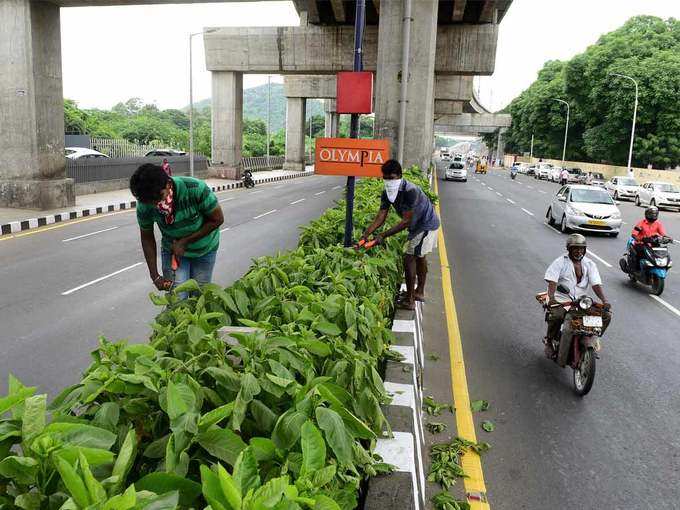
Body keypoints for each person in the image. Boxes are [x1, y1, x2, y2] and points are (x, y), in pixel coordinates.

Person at [129, 163, 224, 295]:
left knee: (199, 296)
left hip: (205, 250)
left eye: (157, 198)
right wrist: (154, 275)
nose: (154, 205)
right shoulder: (145, 204)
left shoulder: (195, 189)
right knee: (177, 299)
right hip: (173, 251)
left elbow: (218, 219)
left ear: (168, 185)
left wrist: (184, 242)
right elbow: (147, 237)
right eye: (149, 201)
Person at [361, 159, 440, 310]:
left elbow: (406, 221)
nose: (388, 181)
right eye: (385, 177)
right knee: (420, 256)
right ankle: (419, 292)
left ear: (399, 176)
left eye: (391, 178)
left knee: (409, 258)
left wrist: (382, 236)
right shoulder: (387, 193)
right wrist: (367, 234)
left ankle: (410, 300)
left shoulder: (411, 191)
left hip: (426, 224)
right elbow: (381, 216)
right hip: (416, 227)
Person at [544, 234, 611, 366]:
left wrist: (604, 300)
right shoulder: (560, 262)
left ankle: (592, 339)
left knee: (606, 316)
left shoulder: (590, 264)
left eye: (582, 249)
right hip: (561, 299)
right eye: (575, 248)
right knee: (557, 316)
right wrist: (551, 298)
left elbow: (596, 284)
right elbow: (552, 281)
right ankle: (549, 341)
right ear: (569, 249)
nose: (579, 251)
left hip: (581, 302)